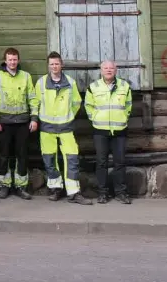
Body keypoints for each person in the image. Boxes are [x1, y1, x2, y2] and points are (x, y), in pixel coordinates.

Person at [33, 52, 92, 205]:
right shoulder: (41, 83)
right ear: (48, 65)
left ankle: (74, 192)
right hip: (47, 127)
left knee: (72, 158)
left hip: (66, 127)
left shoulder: (70, 82)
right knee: (49, 159)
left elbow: (77, 102)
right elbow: (35, 103)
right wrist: (36, 118)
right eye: (52, 64)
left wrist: (69, 115)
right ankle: (56, 189)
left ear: (62, 65)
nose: (54, 66)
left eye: (57, 63)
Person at [0, 48, 38, 200]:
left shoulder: (26, 76)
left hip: (23, 123)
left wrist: (34, 118)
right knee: (4, 155)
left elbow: (32, 98)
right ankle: (4, 185)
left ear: (18, 60)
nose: (12, 62)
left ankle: (20, 186)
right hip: (4, 123)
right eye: (10, 59)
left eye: (15, 59)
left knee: (22, 155)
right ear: (5, 60)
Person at [85, 60, 133, 205]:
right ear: (101, 70)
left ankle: (121, 193)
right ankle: (103, 193)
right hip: (100, 131)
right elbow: (88, 106)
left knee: (120, 162)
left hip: (119, 131)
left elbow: (128, 105)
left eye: (111, 68)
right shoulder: (93, 87)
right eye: (105, 68)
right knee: (101, 162)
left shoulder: (125, 86)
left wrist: (124, 117)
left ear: (116, 70)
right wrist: (95, 118)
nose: (108, 70)